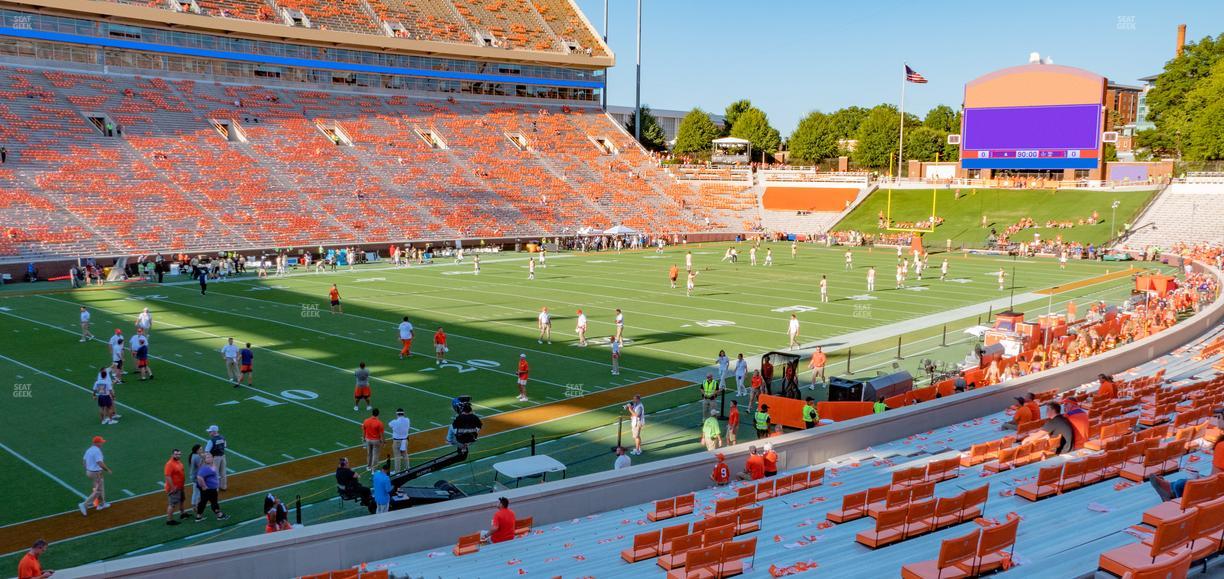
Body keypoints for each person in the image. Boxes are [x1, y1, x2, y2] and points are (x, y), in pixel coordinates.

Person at [80, 435, 111, 515]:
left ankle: (101, 504)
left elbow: (84, 462)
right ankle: (84, 504)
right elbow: (99, 463)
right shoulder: (97, 451)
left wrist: (89, 469)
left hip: (89, 472)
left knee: (99, 488)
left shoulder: (89, 450)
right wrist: (107, 470)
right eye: (101, 442)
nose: (102, 444)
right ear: (97, 443)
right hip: (96, 473)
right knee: (98, 490)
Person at [195, 454, 228, 521]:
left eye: (210, 457)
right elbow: (199, 477)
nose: (209, 458)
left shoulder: (212, 466)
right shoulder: (205, 468)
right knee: (214, 502)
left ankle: (199, 516)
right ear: (205, 459)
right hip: (209, 489)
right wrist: (204, 486)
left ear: (213, 458)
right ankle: (219, 515)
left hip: (210, 488)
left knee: (203, 502)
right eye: (207, 457)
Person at [164, 448, 188, 525]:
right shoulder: (169, 464)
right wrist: (173, 487)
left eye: (179, 454)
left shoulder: (178, 462)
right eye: (176, 454)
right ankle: (169, 520)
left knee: (182, 500)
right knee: (172, 504)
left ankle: (182, 513)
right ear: (172, 455)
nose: (178, 455)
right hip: (174, 488)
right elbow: (168, 476)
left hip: (180, 487)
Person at [204, 425, 228, 490]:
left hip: (215, 458)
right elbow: (225, 446)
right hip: (223, 456)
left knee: (215, 473)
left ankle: (215, 488)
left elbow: (206, 451)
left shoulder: (211, 441)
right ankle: (223, 486)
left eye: (210, 432)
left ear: (214, 432)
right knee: (223, 472)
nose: (209, 433)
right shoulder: (223, 438)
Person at [388, 408, 411, 472]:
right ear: (403, 413)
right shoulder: (407, 420)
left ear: (397, 414)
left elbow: (389, 424)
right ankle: (407, 468)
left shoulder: (394, 422)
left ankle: (397, 471)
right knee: (405, 454)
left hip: (397, 441)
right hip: (405, 440)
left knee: (397, 456)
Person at [188, 444, 204, 512]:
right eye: (200, 449)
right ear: (197, 450)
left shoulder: (193, 455)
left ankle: (194, 506)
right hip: (197, 477)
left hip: (193, 476)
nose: (202, 450)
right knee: (199, 493)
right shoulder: (197, 457)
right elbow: (201, 467)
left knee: (195, 491)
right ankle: (197, 507)